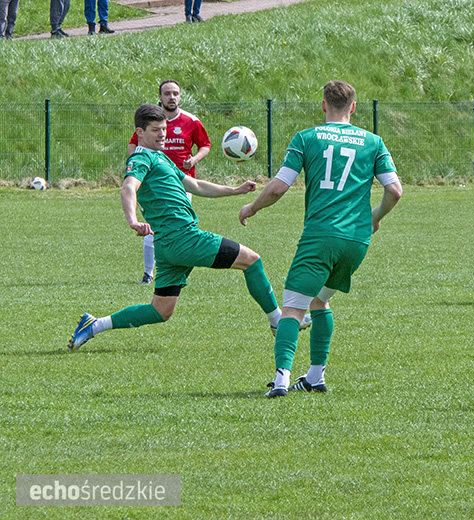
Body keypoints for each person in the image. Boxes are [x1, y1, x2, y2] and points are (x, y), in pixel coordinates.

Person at [68, 104, 310, 351]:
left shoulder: (160, 157)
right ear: (140, 132)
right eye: (155, 130)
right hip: (184, 237)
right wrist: (132, 220)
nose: (162, 134)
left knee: (160, 310)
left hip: (168, 245)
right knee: (251, 260)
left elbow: (195, 185)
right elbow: (129, 187)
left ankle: (94, 325)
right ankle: (276, 320)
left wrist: (235, 191)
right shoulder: (140, 158)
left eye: (164, 129)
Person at [239, 80, 403, 398]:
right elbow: (394, 190)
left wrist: (252, 206)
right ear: (353, 107)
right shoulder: (374, 142)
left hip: (320, 236)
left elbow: (278, 187)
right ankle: (315, 377)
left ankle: (282, 378)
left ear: (324, 105)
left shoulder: (307, 138)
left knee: (292, 309)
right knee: (320, 301)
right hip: (356, 241)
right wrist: (375, 217)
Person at [129, 79, 211, 285]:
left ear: (180, 96)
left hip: (182, 183)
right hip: (154, 185)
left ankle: (174, 271)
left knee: (178, 228)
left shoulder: (191, 121)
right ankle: (149, 273)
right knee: (156, 227)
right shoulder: (150, 120)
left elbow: (205, 145)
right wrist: (137, 169)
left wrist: (194, 159)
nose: (171, 97)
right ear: (160, 96)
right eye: (167, 93)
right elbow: (134, 145)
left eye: (175, 93)